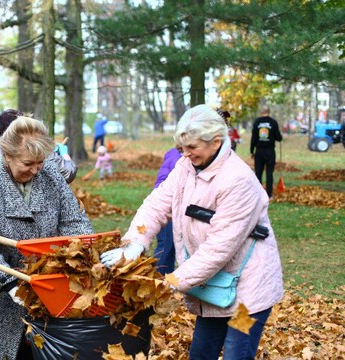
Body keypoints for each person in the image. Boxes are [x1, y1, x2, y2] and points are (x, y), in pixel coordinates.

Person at [101, 104, 283, 360]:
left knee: (236, 354)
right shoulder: (186, 167)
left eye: (192, 148)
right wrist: (135, 242)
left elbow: (217, 250)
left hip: (249, 297)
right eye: (181, 149)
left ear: (216, 141)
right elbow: (156, 205)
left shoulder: (238, 181)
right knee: (200, 354)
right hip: (214, 291)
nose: (185, 155)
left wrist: (170, 282)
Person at [0, 116, 93, 360]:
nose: (35, 170)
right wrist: (9, 282)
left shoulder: (51, 175)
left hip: (47, 288)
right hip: (0, 293)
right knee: (3, 353)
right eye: (27, 163)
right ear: (8, 155)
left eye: (40, 162)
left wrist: (82, 253)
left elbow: (74, 221)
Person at [0, 109, 78, 183]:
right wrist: (65, 156)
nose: (34, 170)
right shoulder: (35, 150)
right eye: (28, 163)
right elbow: (68, 172)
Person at [152, 145, 182, 275]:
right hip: (167, 204)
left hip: (174, 203)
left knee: (170, 245)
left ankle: (166, 279)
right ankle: (159, 279)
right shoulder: (180, 158)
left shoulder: (174, 153)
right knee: (166, 244)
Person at [250, 105, 283, 198]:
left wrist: (252, 151)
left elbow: (254, 138)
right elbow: (278, 137)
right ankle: (269, 194)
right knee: (269, 173)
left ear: (261, 112)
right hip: (270, 151)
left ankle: (258, 194)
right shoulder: (273, 122)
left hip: (259, 151)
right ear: (269, 111)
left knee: (258, 173)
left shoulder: (257, 122)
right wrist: (279, 137)